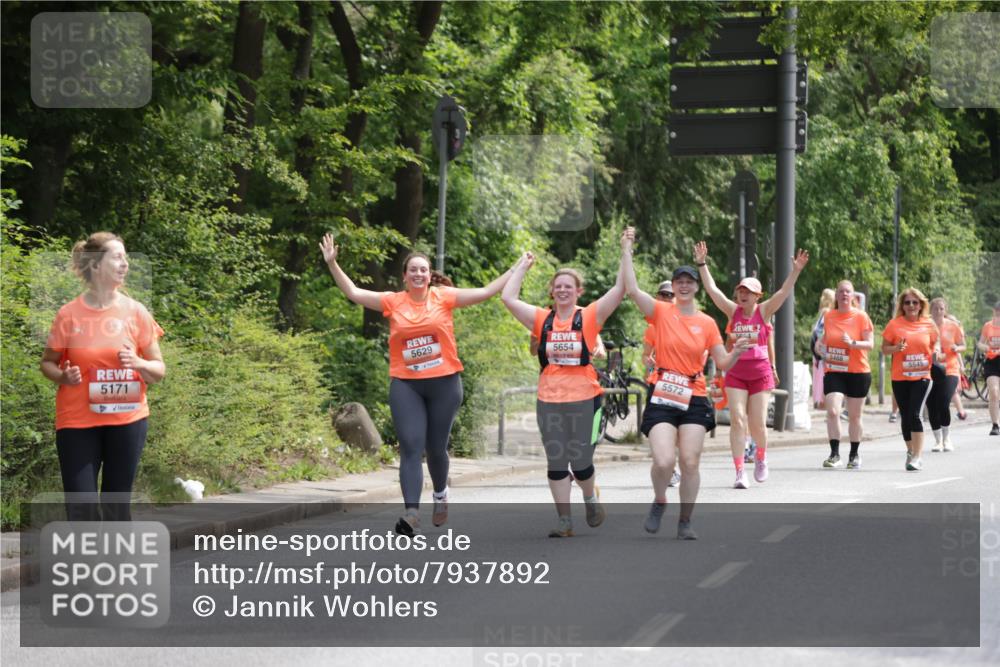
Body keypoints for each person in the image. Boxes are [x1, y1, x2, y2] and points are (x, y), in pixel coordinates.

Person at [319, 234, 517, 534]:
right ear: (405, 276)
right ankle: (411, 513)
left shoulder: (444, 297)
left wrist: (518, 266)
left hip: (444, 384)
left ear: (429, 275)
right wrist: (333, 263)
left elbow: (488, 290)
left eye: (423, 269)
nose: (418, 274)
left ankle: (440, 494)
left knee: (435, 448)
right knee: (411, 447)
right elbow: (355, 292)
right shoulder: (392, 301)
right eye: (413, 269)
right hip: (407, 385)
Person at [621, 229, 752, 540]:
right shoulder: (661, 312)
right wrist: (626, 250)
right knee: (664, 460)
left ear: (696, 288)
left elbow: (721, 362)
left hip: (693, 395)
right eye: (678, 280)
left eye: (689, 281)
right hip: (663, 392)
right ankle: (659, 499)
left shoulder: (707, 323)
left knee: (690, 461)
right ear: (674, 286)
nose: (683, 284)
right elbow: (631, 288)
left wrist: (737, 353)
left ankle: (685, 521)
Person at [500, 238, 628, 538]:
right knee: (557, 458)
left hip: (586, 397)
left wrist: (625, 250)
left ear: (578, 291)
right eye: (558, 286)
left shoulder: (589, 316)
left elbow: (620, 290)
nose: (562, 290)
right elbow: (508, 298)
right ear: (552, 291)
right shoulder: (541, 319)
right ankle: (564, 521)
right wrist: (522, 266)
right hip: (549, 399)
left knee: (580, 460)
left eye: (568, 286)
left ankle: (590, 496)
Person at [40, 232, 166, 521]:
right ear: (95, 265)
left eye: (126, 258)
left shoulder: (136, 312)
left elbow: (159, 370)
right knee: (81, 507)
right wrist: (63, 376)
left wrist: (137, 362)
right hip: (77, 420)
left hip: (127, 419)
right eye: (117, 257)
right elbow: (47, 363)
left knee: (115, 507)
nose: (125, 264)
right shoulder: (69, 314)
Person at [694, 241, 809, 488]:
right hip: (736, 372)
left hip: (760, 373)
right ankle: (738, 472)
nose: (743, 295)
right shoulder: (732, 311)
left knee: (757, 423)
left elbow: (783, 292)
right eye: (741, 291)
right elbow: (712, 290)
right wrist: (702, 264)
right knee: (737, 419)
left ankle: (760, 457)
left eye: (749, 292)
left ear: (757, 296)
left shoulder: (764, 311)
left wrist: (796, 270)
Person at [815, 280, 874, 469]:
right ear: (836, 295)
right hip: (835, 370)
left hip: (858, 371)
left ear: (853, 295)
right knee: (832, 411)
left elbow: (870, 344)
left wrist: (853, 343)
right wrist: (819, 347)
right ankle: (834, 454)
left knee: (855, 416)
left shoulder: (861, 317)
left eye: (848, 291)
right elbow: (824, 340)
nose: (844, 294)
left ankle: (854, 455)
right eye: (841, 291)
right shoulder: (829, 316)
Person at [881, 288, 940, 471]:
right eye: (907, 302)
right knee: (905, 417)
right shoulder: (894, 324)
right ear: (902, 306)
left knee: (915, 414)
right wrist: (896, 348)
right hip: (900, 377)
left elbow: (935, 341)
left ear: (921, 304)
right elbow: (884, 349)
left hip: (922, 376)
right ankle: (910, 450)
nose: (911, 306)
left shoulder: (929, 324)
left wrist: (936, 350)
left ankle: (917, 456)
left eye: (915, 302)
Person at [642, 281, 681, 487]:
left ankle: (672, 465)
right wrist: (648, 363)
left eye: (670, 295)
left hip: (680, 384)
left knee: (675, 428)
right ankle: (667, 466)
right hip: (657, 382)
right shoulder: (652, 327)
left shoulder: (687, 320)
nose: (666, 298)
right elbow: (646, 356)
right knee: (656, 427)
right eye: (663, 295)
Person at [928, 298, 965, 451]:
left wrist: (957, 347)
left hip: (950, 369)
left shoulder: (953, 326)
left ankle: (947, 438)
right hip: (929, 369)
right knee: (931, 405)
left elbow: (964, 345)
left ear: (945, 310)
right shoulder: (925, 326)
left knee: (943, 402)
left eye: (941, 308)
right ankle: (937, 440)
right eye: (935, 308)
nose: (938, 311)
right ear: (930, 310)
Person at [810, 289, 835, 409]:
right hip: (823, 349)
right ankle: (826, 405)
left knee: (821, 379)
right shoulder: (828, 312)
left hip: (818, 350)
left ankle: (823, 404)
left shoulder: (822, 312)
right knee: (825, 379)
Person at [978, 300, 1000, 435]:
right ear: (994, 311)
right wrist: (985, 347)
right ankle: (995, 425)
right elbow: (980, 343)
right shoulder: (988, 326)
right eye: (997, 311)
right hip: (992, 361)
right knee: (993, 391)